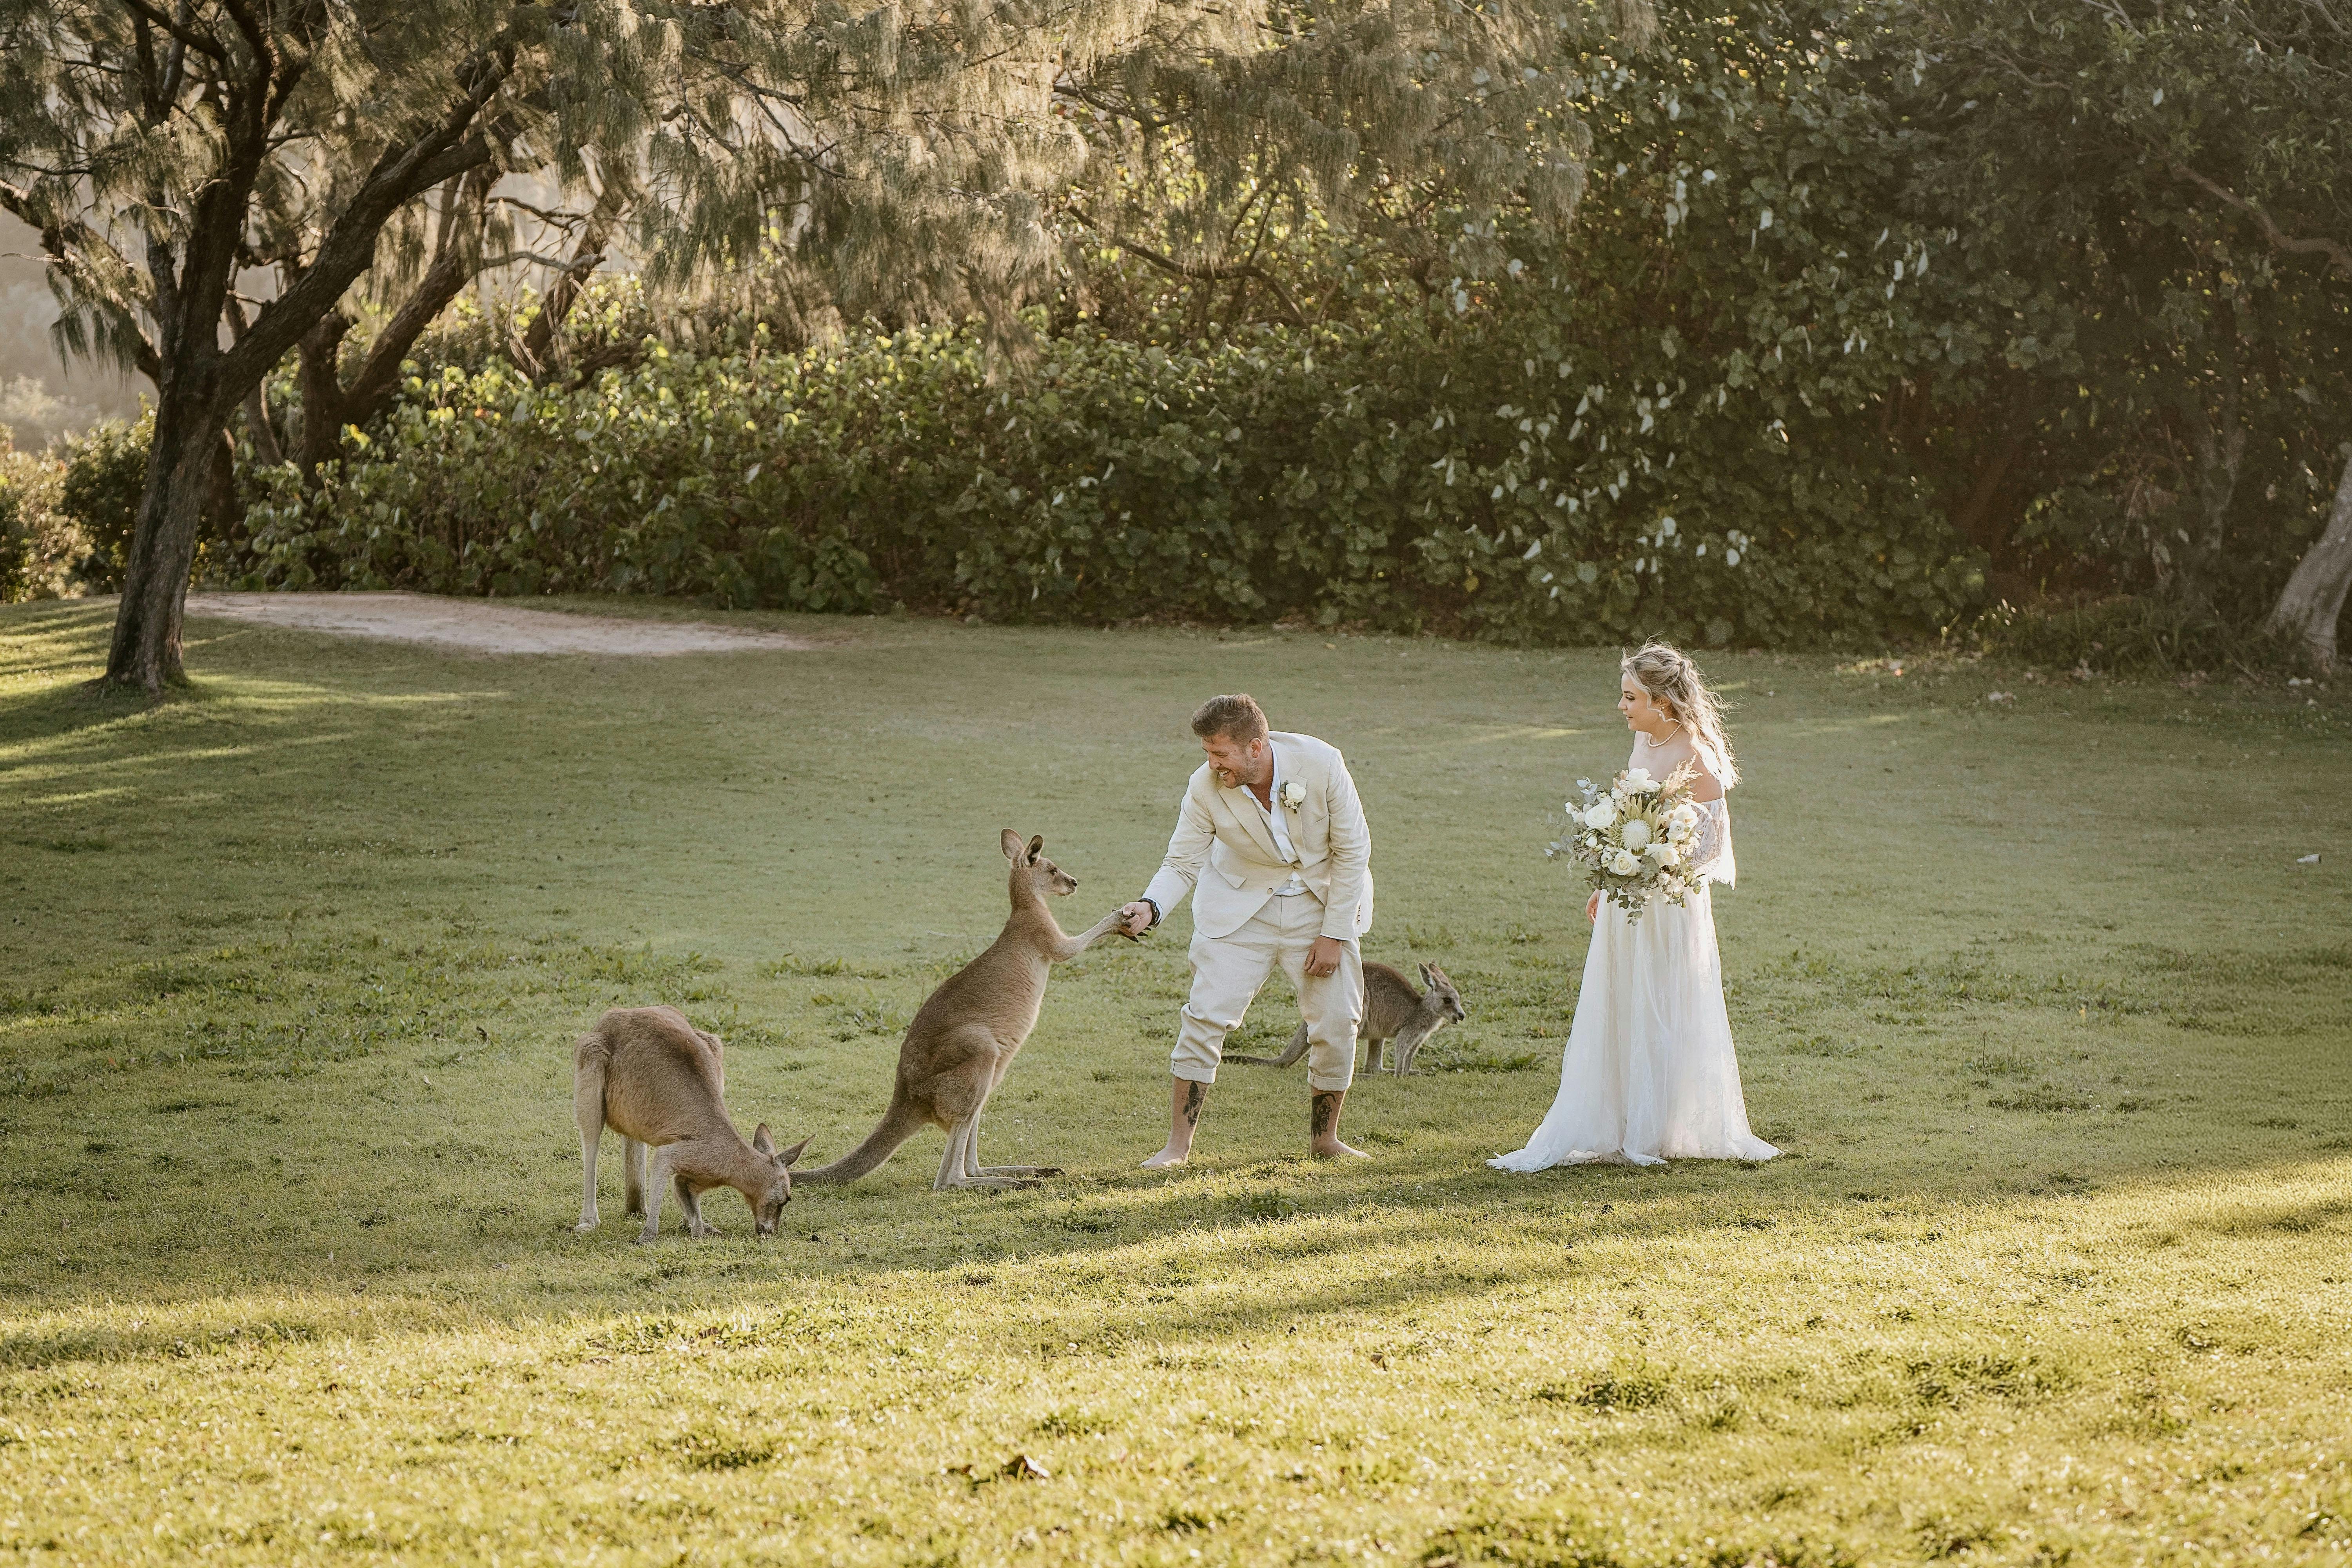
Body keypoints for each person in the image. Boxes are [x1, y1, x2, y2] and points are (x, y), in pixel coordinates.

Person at [1490, 644, 1779, 1171]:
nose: (1622, 707)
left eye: (1630, 697)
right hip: (1628, 899)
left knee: (1663, 1000)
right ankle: (1617, 1116)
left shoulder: (1696, 754)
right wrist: (1609, 877)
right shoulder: (1646, 740)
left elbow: (1711, 843)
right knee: (1621, 997)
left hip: (1671, 904)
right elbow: (1629, 814)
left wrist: (1657, 864)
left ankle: (1663, 1122)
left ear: (1662, 702)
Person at [1118, 695, 1374, 1166]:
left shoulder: (1322, 763)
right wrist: (1151, 906)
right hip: (1238, 911)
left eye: (1221, 754)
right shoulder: (1204, 787)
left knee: (1339, 1023)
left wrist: (1334, 934)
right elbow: (1182, 860)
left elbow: (1354, 851)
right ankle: (1177, 1148)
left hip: (1322, 907)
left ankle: (1326, 1141)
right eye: (1207, 754)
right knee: (1204, 1017)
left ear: (1256, 747)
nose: (1212, 765)